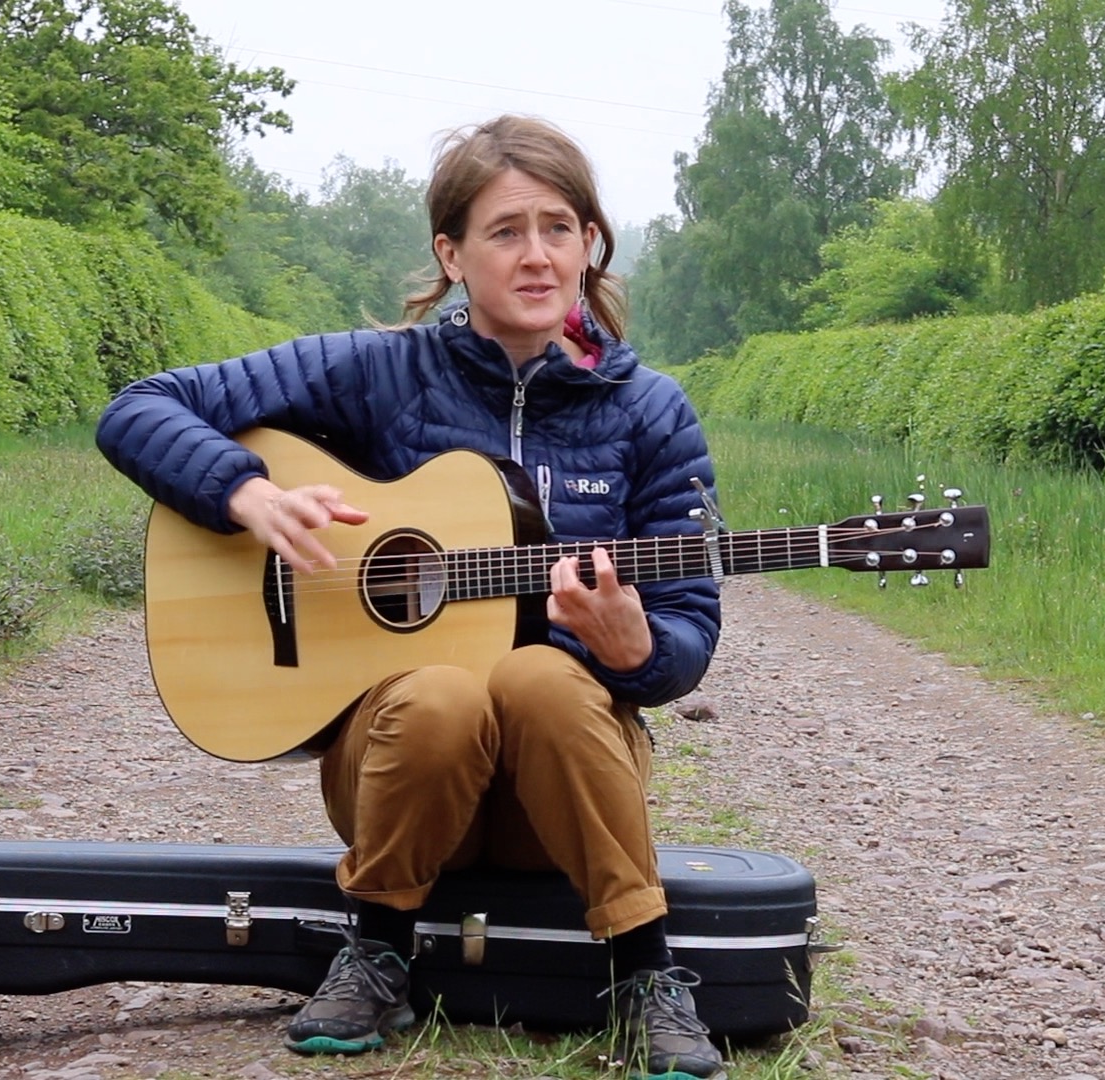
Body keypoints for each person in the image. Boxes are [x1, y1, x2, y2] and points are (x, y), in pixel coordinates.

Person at [95, 115, 725, 1080]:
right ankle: (378, 949)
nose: (537, 255)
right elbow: (138, 407)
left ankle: (643, 972)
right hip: (403, 786)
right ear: (451, 252)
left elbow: (687, 634)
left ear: (591, 244)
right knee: (441, 688)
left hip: (562, 800)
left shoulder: (649, 411)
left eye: (561, 228)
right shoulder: (379, 370)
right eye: (506, 231)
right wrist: (246, 493)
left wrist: (639, 650)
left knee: (539, 680)